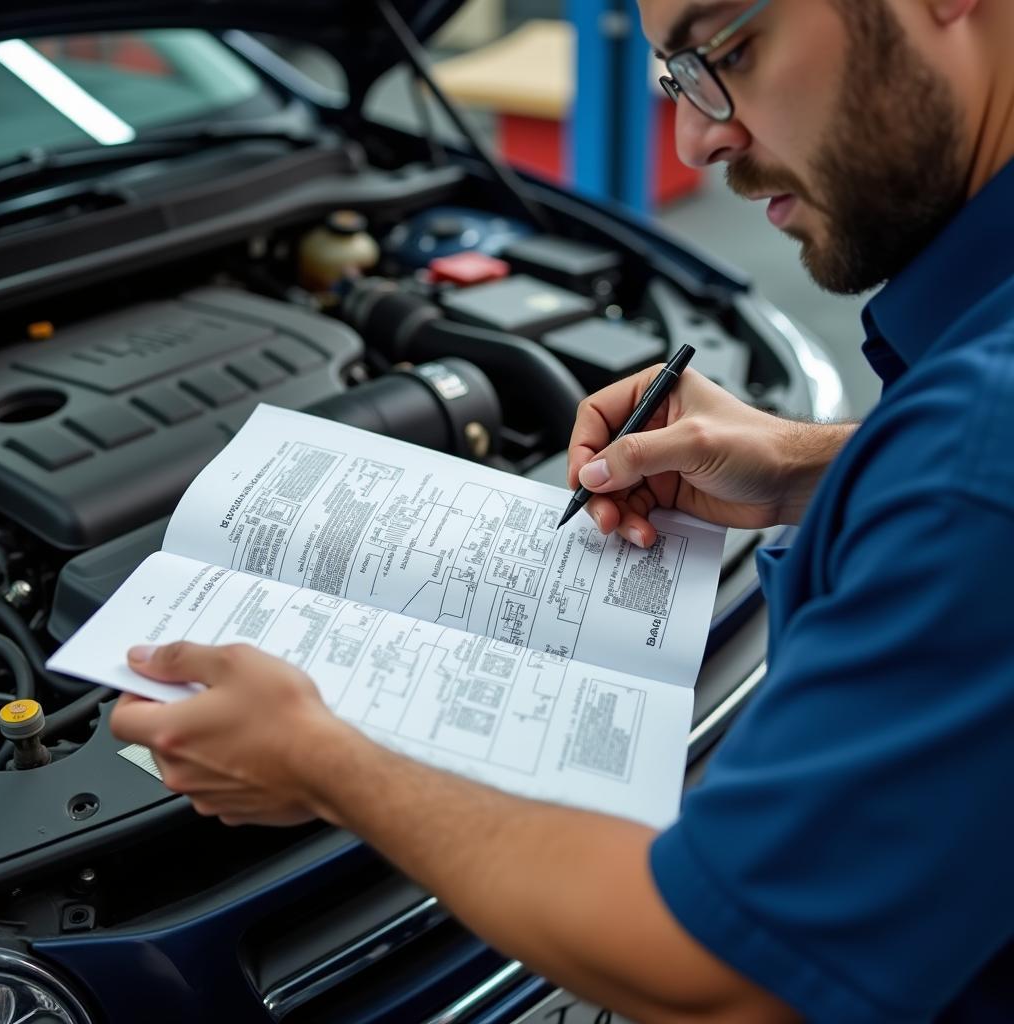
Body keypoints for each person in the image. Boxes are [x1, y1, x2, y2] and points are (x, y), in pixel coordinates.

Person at [110, 0, 1014, 1019]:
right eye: (676, 80)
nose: (697, 136)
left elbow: (720, 975)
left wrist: (325, 762)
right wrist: (811, 462)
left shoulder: (975, 449)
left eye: (727, 49)